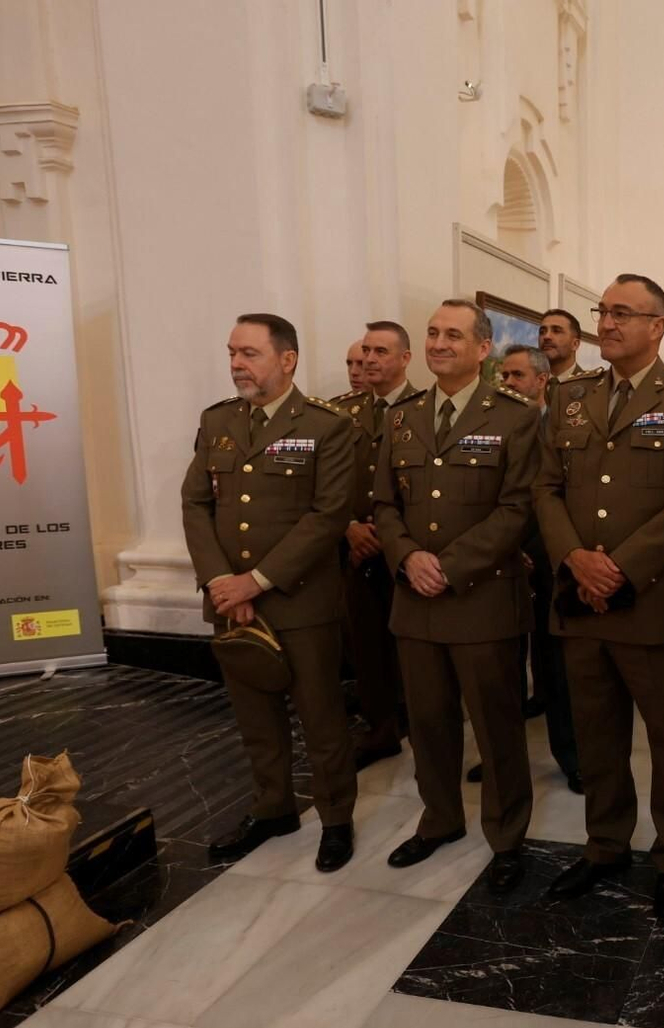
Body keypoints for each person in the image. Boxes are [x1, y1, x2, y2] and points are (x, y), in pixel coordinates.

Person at [534, 273, 664, 922]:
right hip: (581, 600)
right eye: (603, 311)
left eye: (623, 313)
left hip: (653, 602)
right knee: (597, 737)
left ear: (657, 326)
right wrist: (574, 557)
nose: (607, 324)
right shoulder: (571, 395)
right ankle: (606, 844)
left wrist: (618, 568)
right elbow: (545, 488)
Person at [370, 300, 538, 892]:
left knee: (496, 728)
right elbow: (384, 503)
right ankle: (439, 819)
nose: (439, 343)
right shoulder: (402, 417)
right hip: (415, 600)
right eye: (433, 333)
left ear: (482, 348)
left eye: (453, 335)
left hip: (482, 601)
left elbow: (518, 508)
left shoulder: (516, 417)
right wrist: (407, 557)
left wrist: (448, 565)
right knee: (428, 724)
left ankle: (507, 836)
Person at [182, 313, 358, 872]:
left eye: (249, 353)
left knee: (321, 718)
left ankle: (336, 818)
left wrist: (255, 581)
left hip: (299, 599)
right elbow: (195, 504)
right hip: (230, 602)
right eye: (232, 352)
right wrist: (220, 581)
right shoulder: (218, 421)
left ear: (287, 359)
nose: (237, 364)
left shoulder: (329, 426)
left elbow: (328, 515)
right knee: (255, 716)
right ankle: (273, 807)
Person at [333, 322, 419, 770]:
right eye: (365, 350)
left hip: (406, 549)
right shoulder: (340, 413)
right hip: (355, 549)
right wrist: (347, 526)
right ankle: (381, 727)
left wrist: (389, 536)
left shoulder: (426, 408)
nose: (368, 359)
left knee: (412, 647)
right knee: (366, 644)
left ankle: (419, 722)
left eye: (380, 351)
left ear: (405, 359)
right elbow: (324, 482)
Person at [497, 343, 582, 793]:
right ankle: (504, 758)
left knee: (556, 666)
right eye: (504, 376)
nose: (508, 383)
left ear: (541, 380)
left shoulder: (564, 423)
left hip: (550, 558)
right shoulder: (494, 424)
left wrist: (545, 547)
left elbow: (563, 493)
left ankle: (572, 757)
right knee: (503, 667)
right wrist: (508, 547)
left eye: (517, 375)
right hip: (502, 559)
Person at [540, 308, 588, 383]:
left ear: (575, 344)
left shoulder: (591, 385)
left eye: (556, 331)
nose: (546, 336)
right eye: (542, 332)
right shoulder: (530, 384)